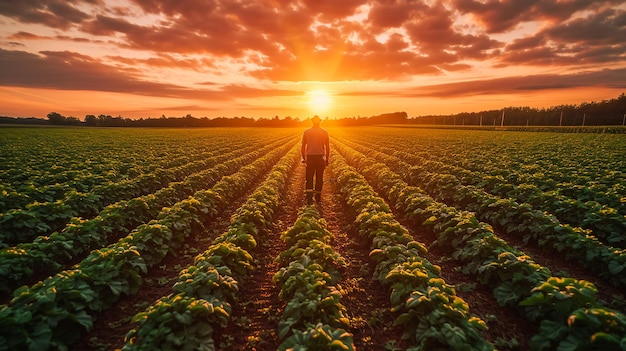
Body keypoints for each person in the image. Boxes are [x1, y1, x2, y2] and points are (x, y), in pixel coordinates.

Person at [301, 115, 330, 204]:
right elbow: (327, 147)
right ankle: (317, 197)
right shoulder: (324, 132)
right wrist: (327, 159)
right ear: (320, 121)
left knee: (309, 177)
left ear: (312, 121)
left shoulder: (307, 132)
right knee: (319, 177)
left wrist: (303, 157)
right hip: (320, 157)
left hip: (310, 157)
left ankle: (309, 198)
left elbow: (303, 146)